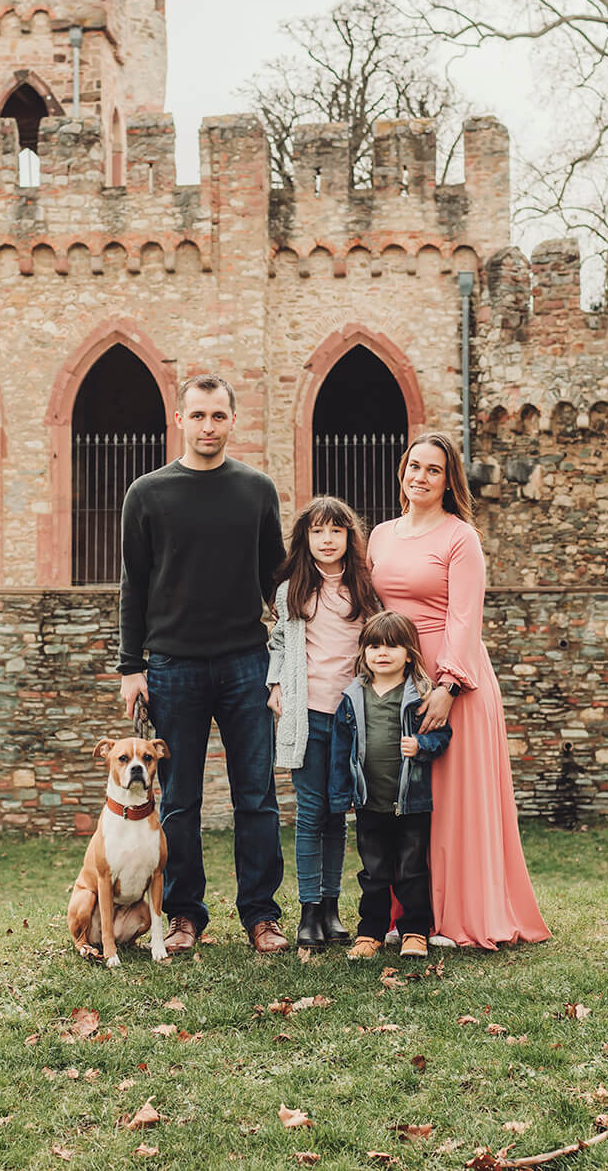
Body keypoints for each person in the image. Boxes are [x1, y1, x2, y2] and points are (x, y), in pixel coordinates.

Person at [117, 373, 291, 955]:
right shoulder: (147, 493)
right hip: (173, 667)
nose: (208, 427)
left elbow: (277, 581)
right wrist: (130, 667)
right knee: (182, 800)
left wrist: (289, 660)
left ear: (233, 421)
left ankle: (261, 916)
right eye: (198, 416)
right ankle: (186, 916)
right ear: (180, 420)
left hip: (246, 663)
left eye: (219, 416)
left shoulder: (257, 489)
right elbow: (133, 586)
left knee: (256, 797)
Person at [367, 431, 550, 949]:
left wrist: (448, 685)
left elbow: (465, 617)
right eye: (414, 466)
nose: (420, 477)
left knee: (452, 801)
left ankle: (459, 916)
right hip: (396, 678)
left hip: (455, 677)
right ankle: (410, 917)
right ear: (402, 470)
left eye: (433, 470)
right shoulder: (380, 535)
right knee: (405, 800)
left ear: (449, 482)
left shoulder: (460, 537)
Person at [266, 495, 383, 947]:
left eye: (336, 530)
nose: (327, 539)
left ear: (349, 537)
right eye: (317, 531)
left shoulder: (365, 589)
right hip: (306, 713)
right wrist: (275, 686)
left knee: (339, 813)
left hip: (350, 717)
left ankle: (332, 910)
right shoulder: (292, 589)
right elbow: (278, 642)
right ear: (305, 539)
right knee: (311, 812)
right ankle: (308, 911)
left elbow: (378, 643)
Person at [328, 611, 451, 960]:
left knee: (412, 869)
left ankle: (414, 931)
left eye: (393, 646)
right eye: (375, 646)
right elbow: (341, 751)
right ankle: (371, 933)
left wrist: (421, 747)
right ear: (364, 652)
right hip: (370, 803)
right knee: (374, 872)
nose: (383, 653)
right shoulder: (352, 698)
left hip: (411, 801)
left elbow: (443, 735)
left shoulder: (419, 695)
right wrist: (341, 795)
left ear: (409, 654)